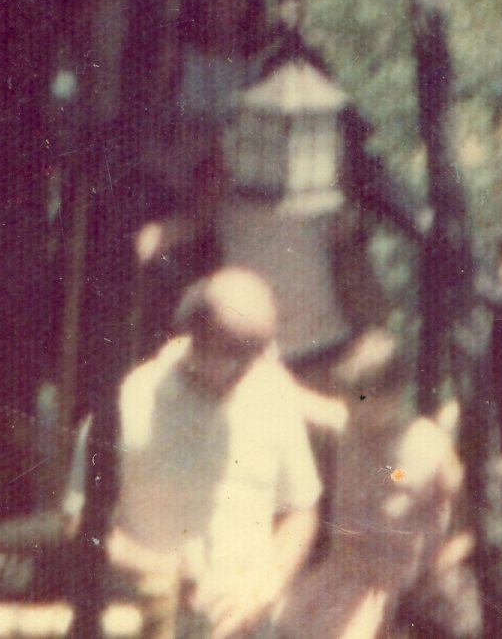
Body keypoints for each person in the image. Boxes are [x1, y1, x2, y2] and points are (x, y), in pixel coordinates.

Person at [68, 268, 324, 639]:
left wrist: (263, 591)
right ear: (194, 334)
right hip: (145, 618)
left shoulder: (274, 394)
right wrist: (161, 567)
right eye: (232, 354)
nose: (246, 368)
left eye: (255, 353)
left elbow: (301, 512)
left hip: (247, 623)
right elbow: (81, 525)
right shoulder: (128, 404)